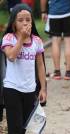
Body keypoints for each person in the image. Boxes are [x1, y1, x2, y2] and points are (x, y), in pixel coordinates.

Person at [1, 4, 47, 134]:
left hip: (30, 90)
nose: (25, 23)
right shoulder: (9, 38)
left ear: (32, 21)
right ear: (13, 22)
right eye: (20, 20)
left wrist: (43, 88)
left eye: (28, 19)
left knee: (27, 128)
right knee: (15, 129)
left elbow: (40, 65)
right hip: (12, 89)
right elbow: (11, 56)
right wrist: (21, 39)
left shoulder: (37, 40)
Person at [40, 0, 70, 80]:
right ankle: (68, 72)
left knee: (55, 41)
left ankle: (57, 72)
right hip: (68, 13)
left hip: (53, 13)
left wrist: (43, 11)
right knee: (68, 41)